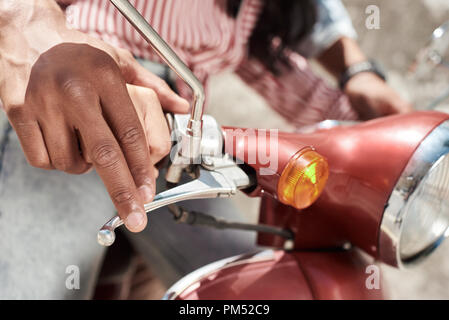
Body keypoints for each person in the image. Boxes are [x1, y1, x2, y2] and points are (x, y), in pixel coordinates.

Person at [0, 0, 412, 299]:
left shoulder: (246, 15)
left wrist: (383, 120)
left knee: (256, 289)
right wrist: (24, 21)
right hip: (79, 101)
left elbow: (301, 89)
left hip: (181, 142)